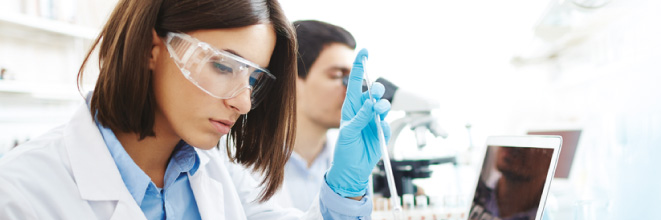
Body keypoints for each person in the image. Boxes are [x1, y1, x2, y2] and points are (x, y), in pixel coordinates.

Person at [0, 0, 391, 219]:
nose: (243, 102)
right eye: (224, 66)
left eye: (254, 80)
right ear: (152, 49)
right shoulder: (20, 192)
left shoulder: (221, 175)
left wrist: (344, 189)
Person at [260, 20, 359, 211]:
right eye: (339, 76)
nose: (352, 91)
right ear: (291, 79)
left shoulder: (355, 165)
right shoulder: (238, 163)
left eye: (355, 78)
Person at [470, 147, 554, 220]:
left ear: (550, 162)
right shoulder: (474, 194)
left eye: (532, 148)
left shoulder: (544, 214)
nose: (509, 147)